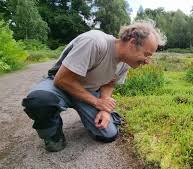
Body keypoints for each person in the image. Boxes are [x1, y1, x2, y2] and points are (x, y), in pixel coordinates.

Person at [21, 20, 167, 152]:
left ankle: (93, 116)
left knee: (108, 134)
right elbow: (62, 80)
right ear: (132, 42)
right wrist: (97, 102)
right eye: (146, 55)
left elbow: (110, 83)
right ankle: (52, 135)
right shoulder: (95, 42)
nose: (147, 61)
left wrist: (105, 109)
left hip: (88, 92)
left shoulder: (125, 63)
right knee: (39, 101)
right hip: (59, 85)